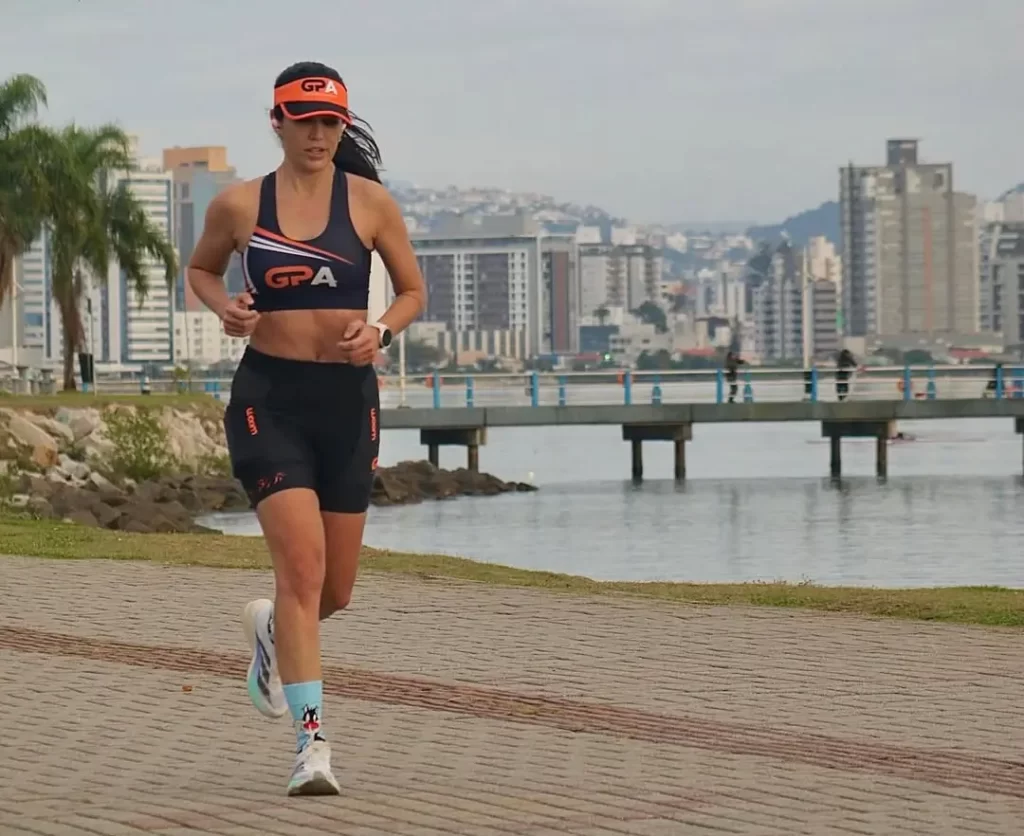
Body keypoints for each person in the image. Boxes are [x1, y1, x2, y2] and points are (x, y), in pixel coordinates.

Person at [186, 61, 426, 796]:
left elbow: (413, 291)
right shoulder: (238, 205)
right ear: (278, 122)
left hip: (348, 402)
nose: (318, 135)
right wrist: (225, 308)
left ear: (341, 126)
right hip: (270, 400)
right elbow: (201, 271)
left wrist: (380, 332)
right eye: (304, 121)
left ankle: (271, 635)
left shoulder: (370, 203)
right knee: (300, 572)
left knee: (335, 591)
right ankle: (311, 745)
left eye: (330, 122)